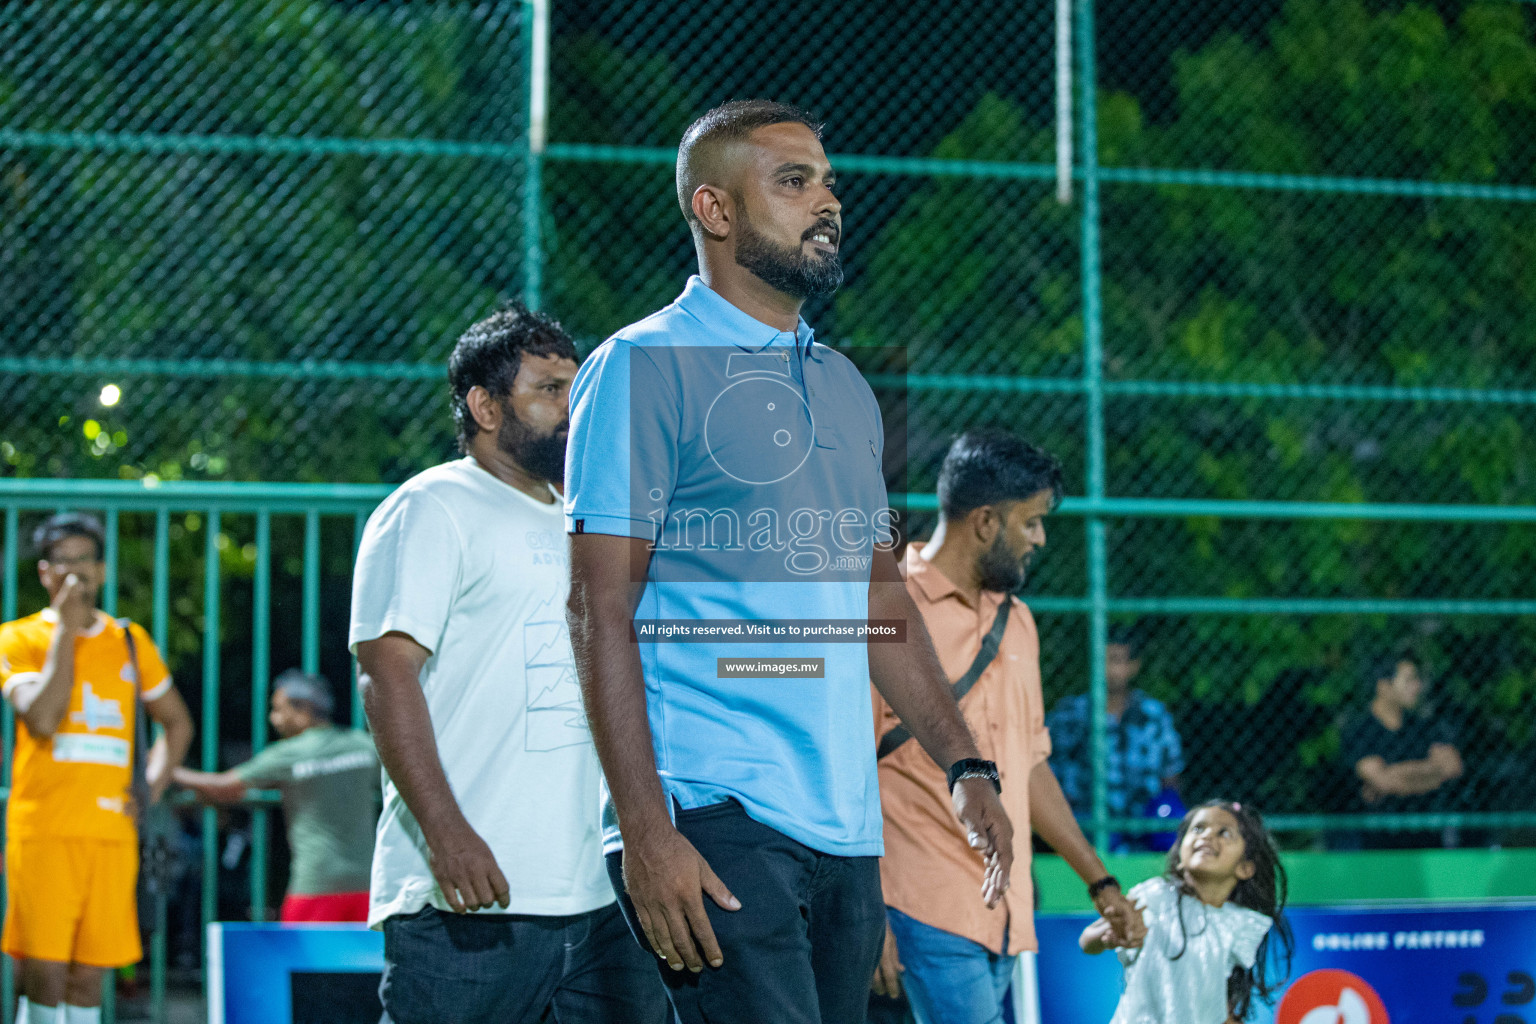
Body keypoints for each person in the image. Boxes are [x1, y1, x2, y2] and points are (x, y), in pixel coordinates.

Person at [565, 99, 1015, 1024]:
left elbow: (880, 606)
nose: (829, 202)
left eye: (830, 182)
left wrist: (967, 766)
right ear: (715, 210)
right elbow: (597, 609)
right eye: (794, 181)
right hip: (715, 808)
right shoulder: (639, 367)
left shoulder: (849, 387)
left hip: (845, 828)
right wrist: (646, 831)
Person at [350, 304, 666, 1023]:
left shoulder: (592, 522)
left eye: (576, 388)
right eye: (550, 389)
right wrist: (446, 834)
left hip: (604, 900)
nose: (571, 407)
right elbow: (385, 675)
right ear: (485, 406)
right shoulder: (431, 506)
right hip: (468, 896)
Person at [871, 432, 1145, 1024]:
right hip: (918, 903)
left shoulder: (1019, 623)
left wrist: (1100, 882)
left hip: (1004, 911)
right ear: (987, 521)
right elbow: (846, 767)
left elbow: (1030, 765)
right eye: (1032, 522)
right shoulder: (886, 603)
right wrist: (866, 913)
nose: (1040, 539)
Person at [0, 512, 194, 1024]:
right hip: (43, 830)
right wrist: (66, 631)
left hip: (110, 833)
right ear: (43, 573)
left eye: (85, 560)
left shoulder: (130, 641)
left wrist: (150, 788)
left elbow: (177, 724)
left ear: (102, 570)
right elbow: (42, 717)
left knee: (89, 973)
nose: (75, 572)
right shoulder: (16, 640)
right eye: (63, 562)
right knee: (42, 968)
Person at [172, 669, 379, 922]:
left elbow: (224, 787)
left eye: (279, 709)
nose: (273, 719)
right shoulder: (362, 745)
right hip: (369, 886)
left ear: (303, 709)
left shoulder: (290, 754)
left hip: (315, 885)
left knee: (301, 961)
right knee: (366, 962)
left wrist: (169, 771)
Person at [1080, 800, 1293, 1024]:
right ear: (1179, 855)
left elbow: (1213, 1003)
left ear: (1245, 868)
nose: (1207, 836)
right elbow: (1086, 940)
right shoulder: (1156, 898)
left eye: (1224, 833)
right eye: (1198, 829)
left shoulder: (1237, 923)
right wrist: (1106, 938)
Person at [1047, 625, 1185, 840]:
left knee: (1169, 809)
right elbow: (1049, 773)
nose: (1108, 669)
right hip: (1084, 820)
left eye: (1117, 660)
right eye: (1102, 660)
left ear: (1134, 666)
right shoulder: (1069, 714)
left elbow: (1171, 775)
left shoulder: (1153, 714)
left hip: (1142, 819)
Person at [1340, 652, 1463, 849]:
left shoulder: (1423, 727)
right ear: (1384, 686)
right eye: (1409, 680)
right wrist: (1431, 774)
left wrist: (1395, 775)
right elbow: (1382, 781)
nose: (1417, 687)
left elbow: (1452, 767)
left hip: (1426, 837)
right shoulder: (1360, 731)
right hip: (1376, 841)